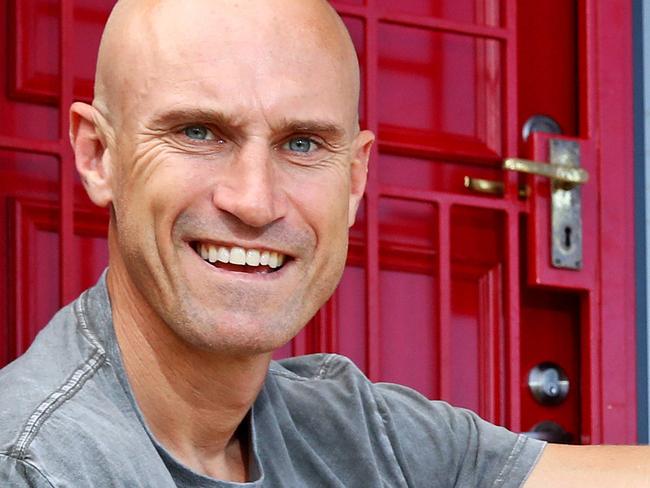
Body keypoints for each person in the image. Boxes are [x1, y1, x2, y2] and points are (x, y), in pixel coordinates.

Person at [0, 0, 647, 486]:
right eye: (199, 132)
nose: (254, 201)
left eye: (302, 143)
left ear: (356, 177)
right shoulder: (39, 465)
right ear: (98, 155)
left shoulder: (354, 433)